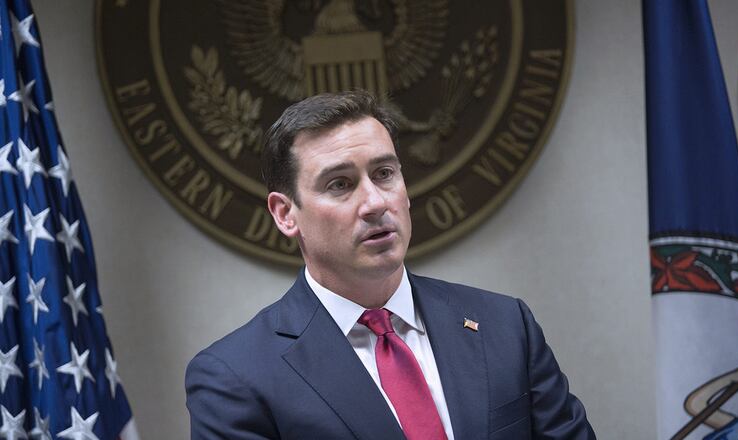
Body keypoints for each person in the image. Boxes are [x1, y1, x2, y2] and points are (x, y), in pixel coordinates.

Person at [185, 90, 595, 439]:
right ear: (285, 214)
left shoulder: (506, 326)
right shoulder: (234, 377)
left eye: (384, 174)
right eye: (340, 184)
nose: (376, 202)